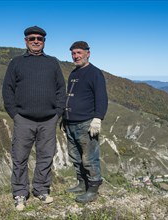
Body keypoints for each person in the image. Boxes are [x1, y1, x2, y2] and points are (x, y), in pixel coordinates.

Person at [2, 25, 66, 211]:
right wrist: (15, 114)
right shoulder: (16, 62)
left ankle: (41, 190)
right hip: (24, 119)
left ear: (44, 41)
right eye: (32, 38)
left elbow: (61, 89)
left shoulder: (52, 62)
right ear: (26, 41)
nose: (36, 41)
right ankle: (20, 193)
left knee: (46, 156)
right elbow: (8, 90)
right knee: (20, 157)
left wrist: (58, 113)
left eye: (39, 38)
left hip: (48, 120)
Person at [62, 41, 108, 204]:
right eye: (73, 53)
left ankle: (93, 189)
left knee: (89, 158)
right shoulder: (74, 73)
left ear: (88, 53)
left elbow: (101, 97)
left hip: (85, 123)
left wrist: (98, 118)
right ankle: (82, 184)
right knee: (75, 157)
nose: (76, 56)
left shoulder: (94, 73)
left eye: (79, 53)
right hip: (70, 123)